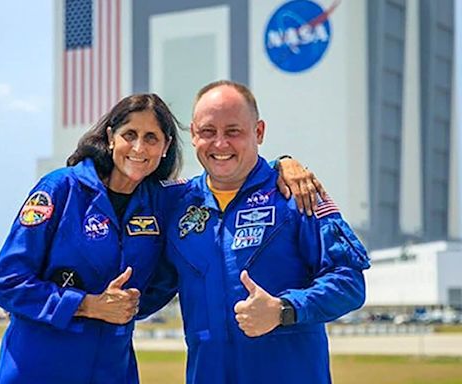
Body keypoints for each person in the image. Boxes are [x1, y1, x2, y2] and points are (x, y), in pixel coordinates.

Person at [0, 91, 323, 384]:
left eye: (151, 138)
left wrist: (285, 164)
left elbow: (229, 177)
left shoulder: (165, 201)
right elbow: (7, 282)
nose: (139, 147)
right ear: (110, 138)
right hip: (38, 366)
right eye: (129, 134)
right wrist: (88, 306)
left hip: (112, 370)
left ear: (165, 147)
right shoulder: (61, 189)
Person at [140, 81, 371, 384]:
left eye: (233, 131)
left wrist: (283, 309)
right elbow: (152, 289)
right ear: (194, 135)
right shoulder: (177, 205)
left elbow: (349, 283)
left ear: (258, 132)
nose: (220, 144)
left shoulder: (296, 194)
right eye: (208, 132)